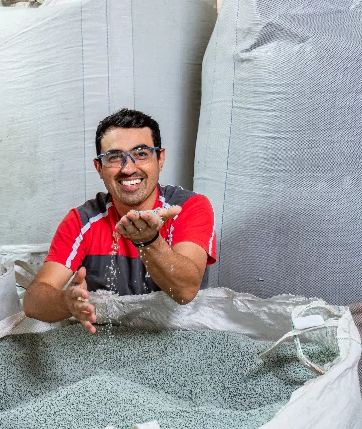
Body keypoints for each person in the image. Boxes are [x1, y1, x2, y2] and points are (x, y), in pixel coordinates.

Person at [22, 108, 217, 333]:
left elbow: (185, 292)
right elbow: (33, 302)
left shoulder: (188, 207)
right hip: (107, 341)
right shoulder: (82, 220)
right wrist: (66, 302)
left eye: (141, 153)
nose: (128, 168)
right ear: (99, 167)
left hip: (179, 339)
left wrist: (149, 242)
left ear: (160, 158)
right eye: (114, 157)